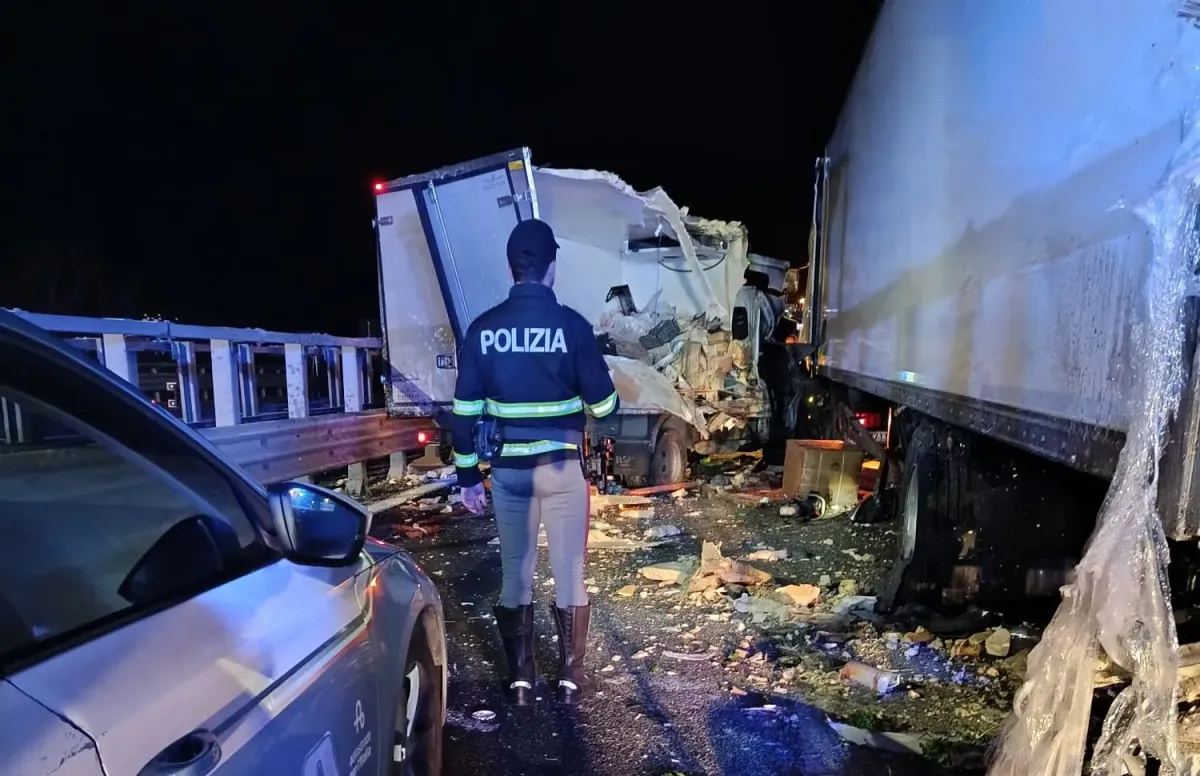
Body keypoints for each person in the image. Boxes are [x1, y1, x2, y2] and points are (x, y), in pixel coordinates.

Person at [449, 218, 619, 706]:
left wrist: (467, 480)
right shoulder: (573, 327)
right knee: (569, 571)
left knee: (514, 573)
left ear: (512, 267)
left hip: (508, 475)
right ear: (551, 268)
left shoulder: (483, 331)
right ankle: (568, 679)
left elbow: (463, 416)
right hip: (563, 471)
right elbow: (605, 408)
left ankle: (521, 680)